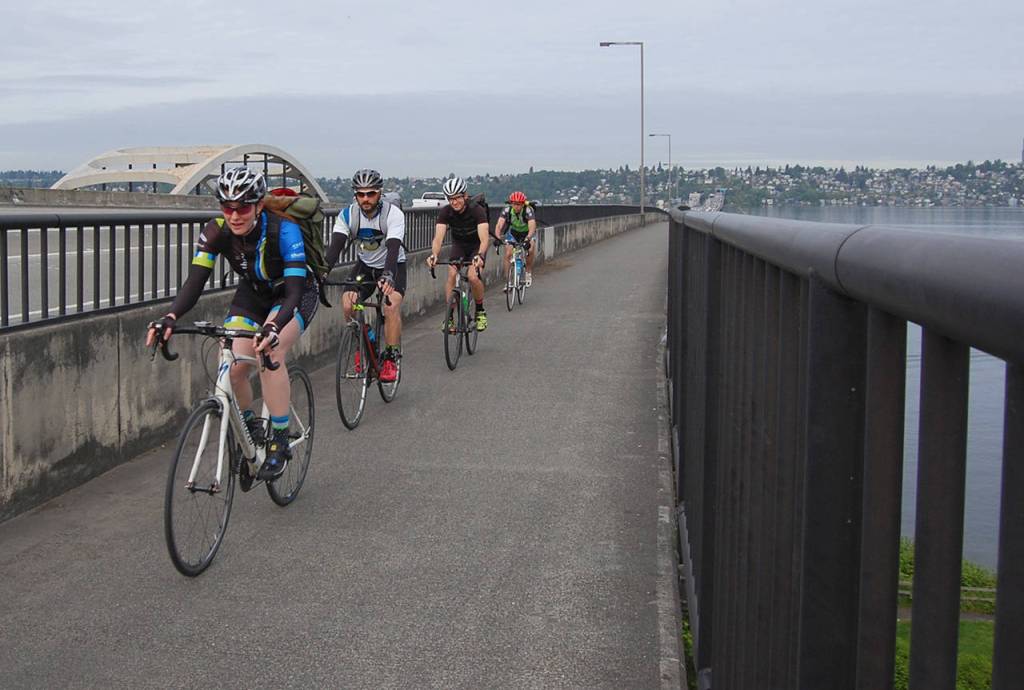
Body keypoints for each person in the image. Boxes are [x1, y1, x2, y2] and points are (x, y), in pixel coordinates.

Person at [146, 167, 318, 480]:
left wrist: (274, 326)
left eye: (243, 208)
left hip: (294, 293)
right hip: (253, 293)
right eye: (228, 208)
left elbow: (294, 289)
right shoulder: (216, 230)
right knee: (235, 364)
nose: (235, 215)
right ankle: (250, 425)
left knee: (270, 353)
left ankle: (280, 440)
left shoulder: (285, 230)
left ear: (259, 206)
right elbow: (195, 282)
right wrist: (170, 317)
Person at [323, 169, 406, 383]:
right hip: (366, 266)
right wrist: (321, 272)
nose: (366, 199)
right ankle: (365, 338)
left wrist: (388, 275)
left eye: (370, 193)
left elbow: (394, 247)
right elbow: (336, 247)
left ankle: (390, 357)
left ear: (379, 193)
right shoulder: (348, 215)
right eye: (361, 194)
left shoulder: (393, 214)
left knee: (390, 306)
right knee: (349, 304)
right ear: (355, 195)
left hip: (393, 264)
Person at [427, 176, 491, 331]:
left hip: (476, 246)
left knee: (473, 277)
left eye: (457, 198)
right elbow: (438, 238)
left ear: (465, 196)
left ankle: (480, 311)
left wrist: (480, 256)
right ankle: (449, 318)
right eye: (450, 199)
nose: (454, 202)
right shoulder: (446, 212)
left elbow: (484, 239)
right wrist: (434, 254)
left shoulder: (477, 210)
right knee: (451, 274)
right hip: (459, 246)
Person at [493, 191, 538, 288]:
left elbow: (532, 226)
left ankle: (528, 272)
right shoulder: (507, 210)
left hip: (527, 233)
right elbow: (499, 224)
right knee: (508, 254)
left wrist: (528, 239)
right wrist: (497, 237)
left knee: (530, 250)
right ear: (511, 203)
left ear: (523, 204)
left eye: (519, 204)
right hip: (513, 232)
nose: (516, 206)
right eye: (514, 204)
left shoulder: (528, 210)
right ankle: (508, 281)